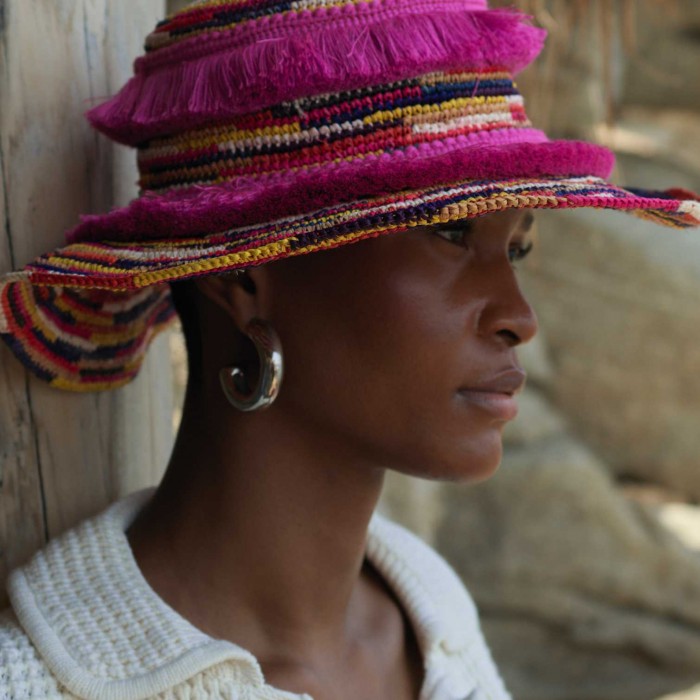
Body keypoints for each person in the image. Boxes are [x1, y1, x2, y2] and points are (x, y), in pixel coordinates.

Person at [0, 0, 697, 698]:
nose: (520, 317)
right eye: (451, 233)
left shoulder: (430, 613)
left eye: (517, 249)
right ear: (243, 277)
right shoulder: (36, 683)